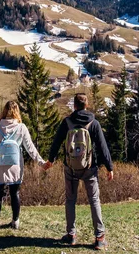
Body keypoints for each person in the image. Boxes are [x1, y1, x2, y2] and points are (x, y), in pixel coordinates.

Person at [44, 93, 114, 250]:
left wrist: (51, 159)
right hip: (90, 167)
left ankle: (71, 235)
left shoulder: (67, 122)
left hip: (70, 167)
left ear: (74, 106)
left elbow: (56, 142)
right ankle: (99, 238)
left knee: (70, 200)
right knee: (94, 200)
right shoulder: (93, 123)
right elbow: (103, 147)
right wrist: (109, 167)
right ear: (86, 105)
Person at [0, 100, 45, 237]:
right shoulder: (21, 128)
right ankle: (15, 221)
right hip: (15, 166)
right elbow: (30, 148)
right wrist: (41, 162)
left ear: (4, 111)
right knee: (15, 193)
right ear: (17, 112)